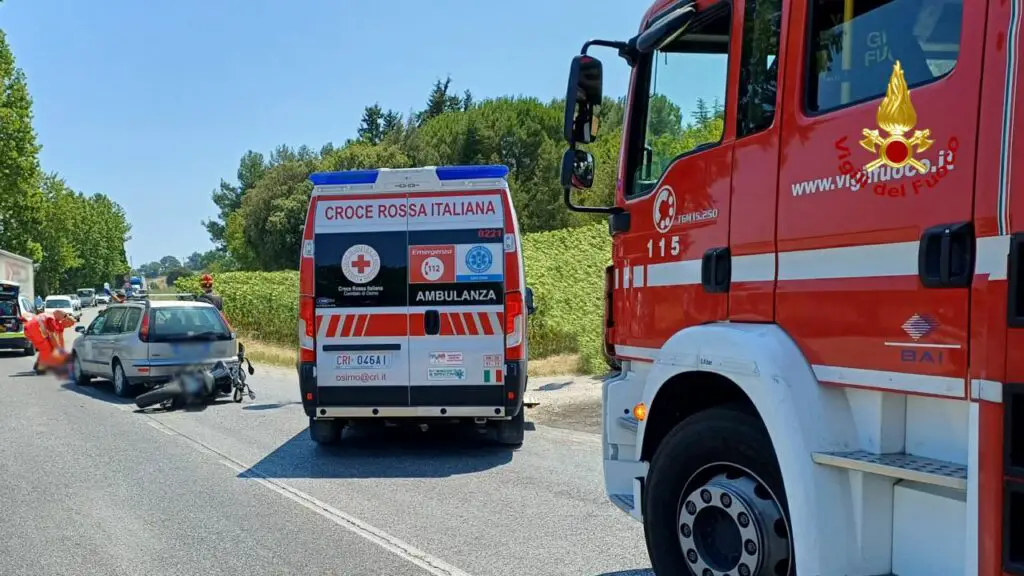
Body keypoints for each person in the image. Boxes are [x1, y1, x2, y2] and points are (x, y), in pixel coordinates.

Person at [24, 309, 75, 375]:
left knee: (47, 347)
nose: (69, 327)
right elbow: (52, 336)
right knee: (47, 347)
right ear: (66, 320)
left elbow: (60, 338)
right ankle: (41, 369)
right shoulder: (52, 320)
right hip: (32, 329)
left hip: (31, 329)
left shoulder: (59, 323)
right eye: (69, 325)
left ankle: (38, 365)